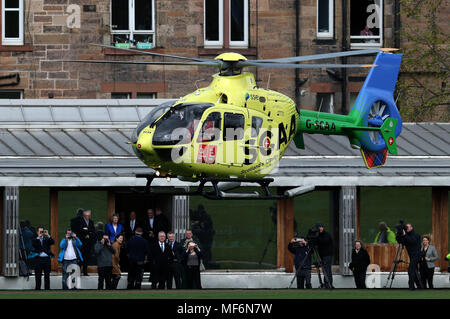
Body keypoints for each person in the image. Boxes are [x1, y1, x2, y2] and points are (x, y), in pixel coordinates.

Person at [396, 223, 422, 290]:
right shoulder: (406, 235)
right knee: (414, 270)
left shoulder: (416, 235)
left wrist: (404, 235)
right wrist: (398, 235)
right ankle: (419, 286)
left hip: (417, 255)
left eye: (408, 227)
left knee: (411, 270)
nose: (406, 228)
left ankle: (411, 287)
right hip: (412, 256)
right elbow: (400, 241)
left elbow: (411, 241)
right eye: (406, 227)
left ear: (411, 228)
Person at [191, 205, 215, 269]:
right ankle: (207, 262)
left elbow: (206, 224)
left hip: (206, 236)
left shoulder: (205, 216)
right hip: (206, 236)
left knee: (206, 250)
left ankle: (207, 263)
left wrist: (198, 223)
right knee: (205, 250)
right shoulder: (204, 215)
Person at [72, 209, 95, 276]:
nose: (87, 216)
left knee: (86, 258)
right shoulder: (80, 221)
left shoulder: (91, 222)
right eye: (86, 215)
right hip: (82, 242)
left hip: (88, 243)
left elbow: (93, 230)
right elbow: (80, 230)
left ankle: (85, 272)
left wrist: (86, 230)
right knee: (80, 257)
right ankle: (78, 272)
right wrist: (87, 231)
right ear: (84, 215)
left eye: (88, 215)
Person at [316, 222, 334, 289]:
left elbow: (325, 241)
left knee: (326, 270)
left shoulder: (327, 234)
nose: (320, 228)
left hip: (327, 255)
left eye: (321, 227)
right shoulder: (318, 236)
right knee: (326, 270)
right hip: (322, 255)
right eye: (319, 227)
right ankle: (328, 284)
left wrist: (317, 238)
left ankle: (328, 284)